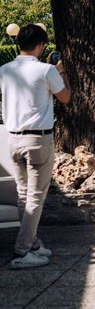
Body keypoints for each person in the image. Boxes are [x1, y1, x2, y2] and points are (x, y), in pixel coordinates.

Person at [0, 24, 70, 269]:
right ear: (40, 45)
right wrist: (61, 71)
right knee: (35, 197)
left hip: (13, 139)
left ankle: (33, 244)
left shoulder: (4, 70)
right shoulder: (47, 70)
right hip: (38, 139)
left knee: (23, 195)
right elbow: (65, 98)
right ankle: (22, 251)